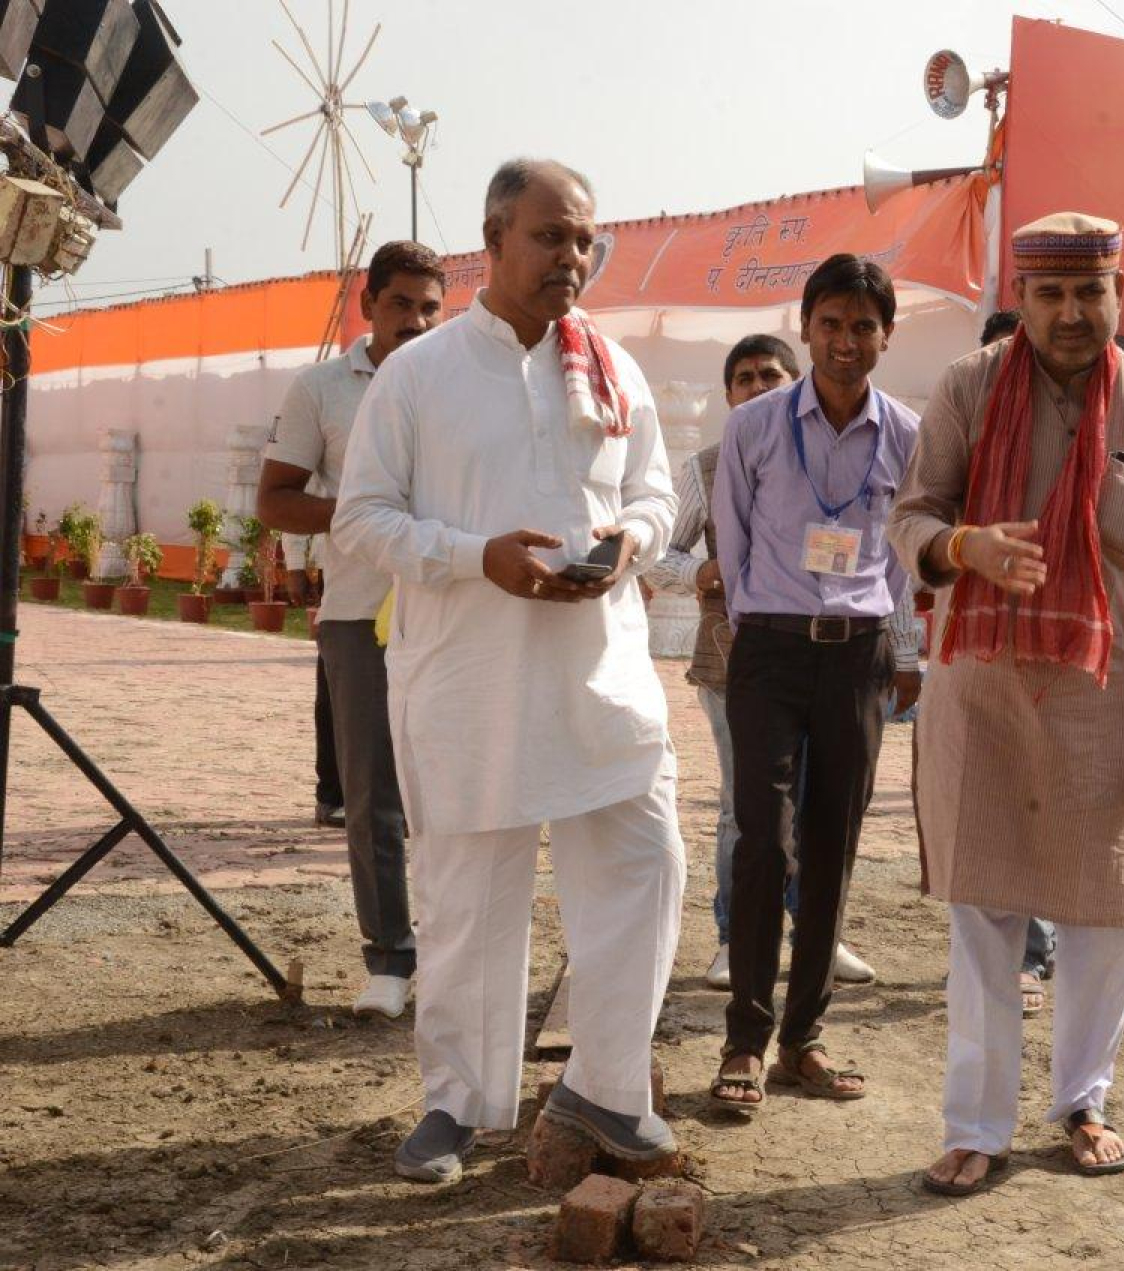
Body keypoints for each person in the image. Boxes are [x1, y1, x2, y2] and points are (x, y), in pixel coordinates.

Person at [332, 159, 683, 1184]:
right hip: (470, 681)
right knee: (469, 898)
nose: (573, 256)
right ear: (492, 240)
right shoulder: (419, 374)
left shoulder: (613, 368)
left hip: (600, 675)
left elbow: (657, 496)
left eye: (585, 239)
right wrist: (472, 555)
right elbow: (361, 518)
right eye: (550, 236)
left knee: (646, 865)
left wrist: (630, 542)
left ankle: (606, 1088)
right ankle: (458, 1103)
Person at [890, 212, 1124, 1195]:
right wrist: (965, 548)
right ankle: (977, 1126)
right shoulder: (969, 387)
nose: (1072, 312)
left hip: (1105, 698)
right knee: (985, 912)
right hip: (982, 685)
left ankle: (1084, 1100)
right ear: (1023, 298)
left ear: (1120, 292)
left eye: (1091, 291)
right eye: (1051, 294)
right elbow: (912, 514)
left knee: (1106, 910)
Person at [707, 253, 922, 1113]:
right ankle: (744, 1038)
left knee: (834, 841)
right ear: (806, 328)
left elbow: (904, 551)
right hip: (769, 648)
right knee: (765, 841)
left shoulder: (906, 432)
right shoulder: (755, 425)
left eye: (863, 326)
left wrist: (891, 640)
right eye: (830, 324)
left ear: (886, 336)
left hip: (857, 656)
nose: (845, 341)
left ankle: (804, 1037)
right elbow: (732, 537)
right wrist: (764, 616)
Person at [643, 333, 894, 990]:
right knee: (745, 808)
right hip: (734, 663)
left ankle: (817, 935)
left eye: (770, 376)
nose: (757, 387)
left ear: (796, 383)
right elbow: (655, 553)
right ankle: (736, 937)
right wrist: (703, 572)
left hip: (829, 661)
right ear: (729, 395)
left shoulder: (833, 460)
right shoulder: (705, 466)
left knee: (820, 804)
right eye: (745, 378)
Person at [259, 239, 446, 1017]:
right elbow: (274, 499)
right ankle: (390, 960)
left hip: (454, 611)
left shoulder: (459, 382)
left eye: (430, 307)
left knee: (458, 789)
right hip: (359, 616)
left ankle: (456, 952)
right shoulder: (322, 388)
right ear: (368, 304)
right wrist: (365, 517)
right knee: (372, 796)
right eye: (400, 303)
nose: (416, 320)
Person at [977, 307, 1056, 1018]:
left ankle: (1032, 953)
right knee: (988, 812)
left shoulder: (1082, 431)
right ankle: (992, 959)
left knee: (1041, 809)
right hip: (981, 655)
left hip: (1059, 657)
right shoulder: (962, 432)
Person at [286, 525, 345, 828]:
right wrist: (295, 565)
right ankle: (332, 796)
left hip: (399, 575)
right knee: (335, 693)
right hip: (342, 572)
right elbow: (294, 504)